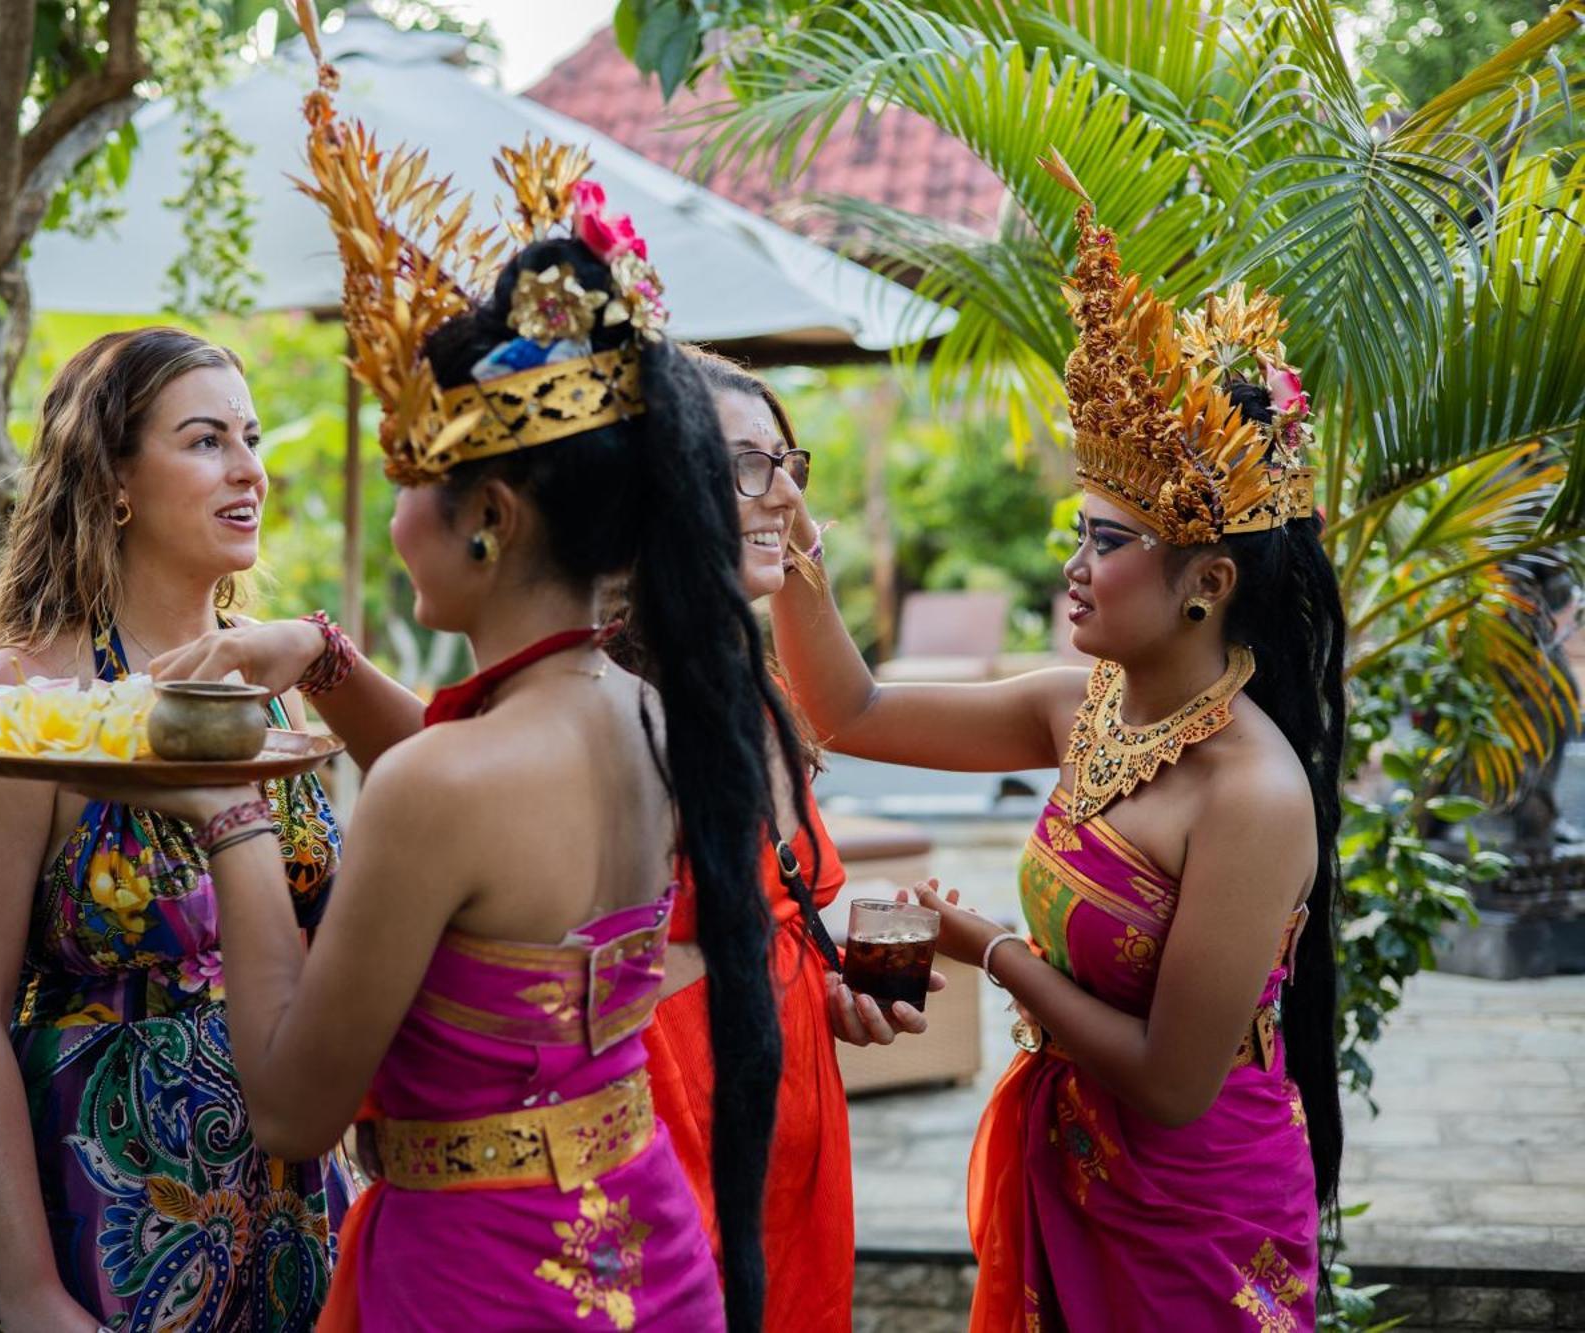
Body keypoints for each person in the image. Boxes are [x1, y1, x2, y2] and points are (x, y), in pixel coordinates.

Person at [71, 37, 808, 1330]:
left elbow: (298, 1110)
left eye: (416, 482)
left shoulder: (441, 784)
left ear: (491, 518)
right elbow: (490, 829)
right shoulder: (645, 708)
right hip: (645, 1241)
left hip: (483, 1273)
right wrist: (328, 663)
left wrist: (231, 809)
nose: (396, 516)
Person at [769, 159, 1344, 1330]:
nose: (1073, 565)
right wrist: (791, 555)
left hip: (1194, 1217)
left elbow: (1177, 1081)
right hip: (1076, 1158)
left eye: (1106, 538)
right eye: (1078, 532)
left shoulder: (1251, 791)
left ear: (1207, 581)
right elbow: (852, 714)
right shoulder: (1076, 703)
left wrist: (985, 947)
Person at [0, 327, 349, 1332]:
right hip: (108, 1214)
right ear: (112, 477)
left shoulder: (268, 682)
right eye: (205, 441)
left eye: (249, 436)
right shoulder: (23, 696)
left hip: (293, 1202)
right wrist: (28, 1292)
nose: (250, 470)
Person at [635, 350, 931, 1333]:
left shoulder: (748, 689)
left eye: (786, 464)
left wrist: (856, 979)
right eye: (744, 466)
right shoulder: (614, 708)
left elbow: (789, 906)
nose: (783, 495)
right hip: (675, 1127)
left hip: (791, 1122)